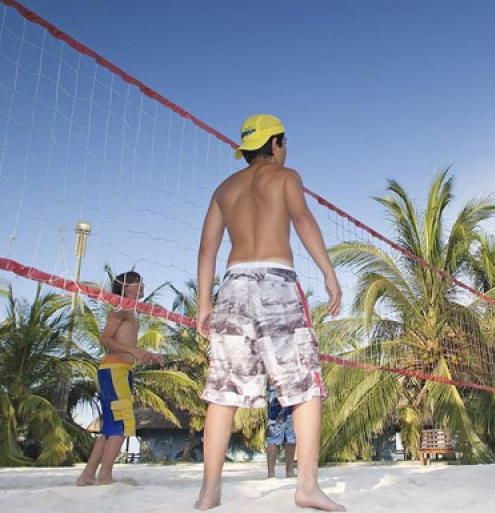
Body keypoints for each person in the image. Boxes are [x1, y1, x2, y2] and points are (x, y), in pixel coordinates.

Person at [195, 114, 344, 511]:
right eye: (284, 143)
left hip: (233, 286)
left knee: (222, 394)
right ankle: (307, 486)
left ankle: (209, 492)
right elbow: (304, 220)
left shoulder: (224, 189)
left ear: (246, 149)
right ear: (276, 144)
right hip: (277, 282)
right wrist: (329, 274)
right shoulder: (285, 176)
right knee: (305, 388)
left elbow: (207, 248)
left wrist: (203, 305)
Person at [76, 271, 163, 486]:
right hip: (115, 370)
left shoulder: (132, 312)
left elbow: (126, 346)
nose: (143, 285)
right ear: (125, 286)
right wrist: (135, 352)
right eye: (138, 282)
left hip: (120, 369)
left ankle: (88, 474)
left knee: (110, 426)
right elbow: (106, 340)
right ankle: (104, 476)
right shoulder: (121, 308)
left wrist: (146, 354)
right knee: (122, 424)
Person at [266, 385, 297, 478]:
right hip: (277, 390)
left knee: (291, 435)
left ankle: (290, 471)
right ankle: (271, 473)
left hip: (293, 390)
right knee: (273, 435)